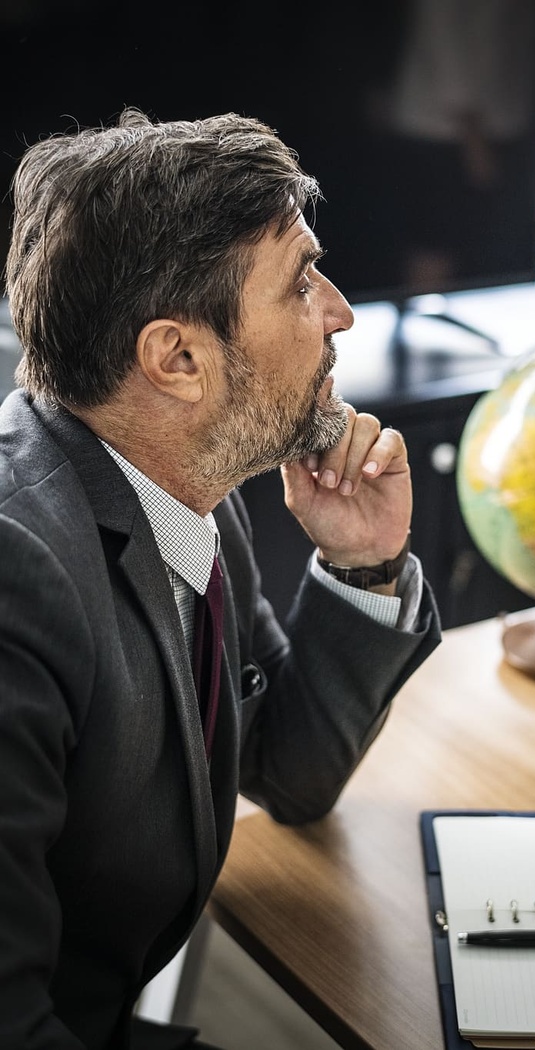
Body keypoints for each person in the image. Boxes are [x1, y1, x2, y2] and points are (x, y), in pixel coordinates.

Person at [0, 107, 441, 1050]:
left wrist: (361, 562)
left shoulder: (184, 483)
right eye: (300, 283)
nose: (340, 312)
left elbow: (285, 768)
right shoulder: (16, 582)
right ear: (180, 359)